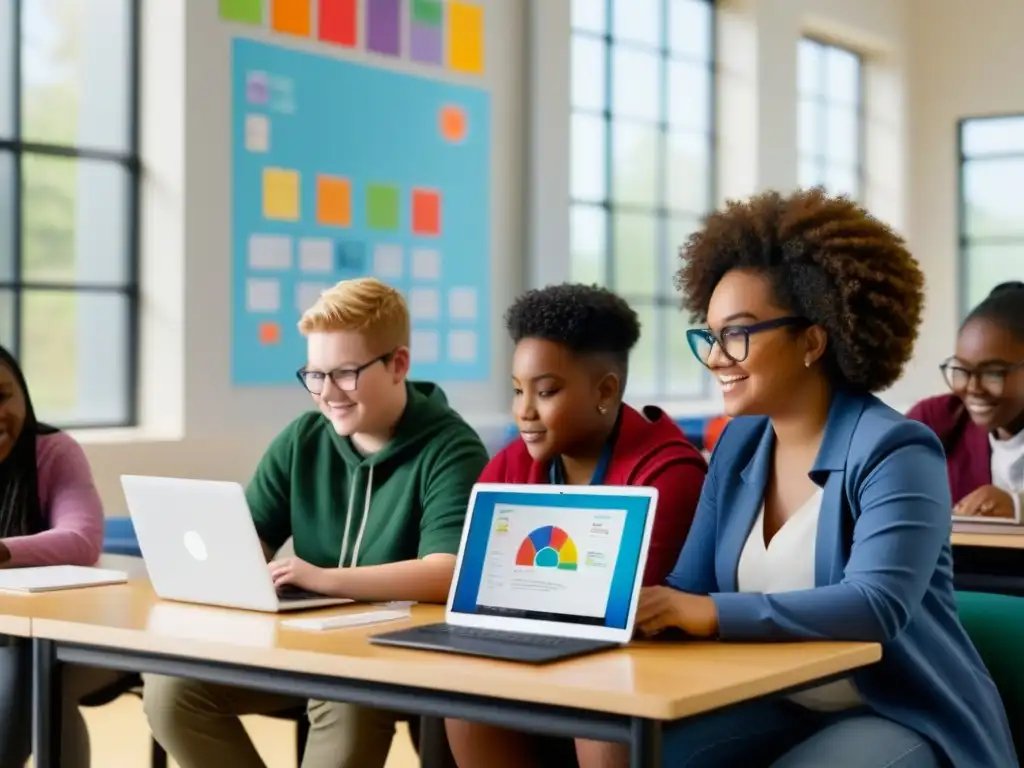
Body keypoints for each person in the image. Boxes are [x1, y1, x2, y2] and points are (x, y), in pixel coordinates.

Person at [633, 189, 1016, 767]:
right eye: (709, 337)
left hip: (895, 709)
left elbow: (875, 604)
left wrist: (710, 613)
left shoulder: (896, 448)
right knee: (646, 753)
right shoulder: (738, 444)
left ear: (813, 339)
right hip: (771, 697)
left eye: (736, 334)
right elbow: (688, 586)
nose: (715, 358)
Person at [143, 278, 490, 768]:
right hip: (300, 643)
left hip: (389, 655)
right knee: (170, 694)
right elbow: (248, 542)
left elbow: (449, 572)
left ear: (399, 365)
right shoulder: (303, 439)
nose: (327, 394)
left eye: (346, 373)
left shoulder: (451, 449)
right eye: (314, 374)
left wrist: (325, 579)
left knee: (343, 699)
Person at [445, 283, 708, 768]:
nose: (524, 411)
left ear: (605, 390)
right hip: (534, 663)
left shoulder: (670, 475)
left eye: (545, 392)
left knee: (599, 716)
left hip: (634, 676)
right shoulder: (510, 465)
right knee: (462, 708)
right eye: (518, 390)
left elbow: (620, 614)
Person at [0, 345, 121, 768]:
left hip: (68, 636)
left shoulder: (52, 451)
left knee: (37, 673)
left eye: (3, 396)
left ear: (24, 395)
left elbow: (82, 538)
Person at [908, 281, 1024, 518]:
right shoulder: (937, 420)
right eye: (962, 370)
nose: (973, 388)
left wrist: (1018, 506)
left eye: (993, 372)